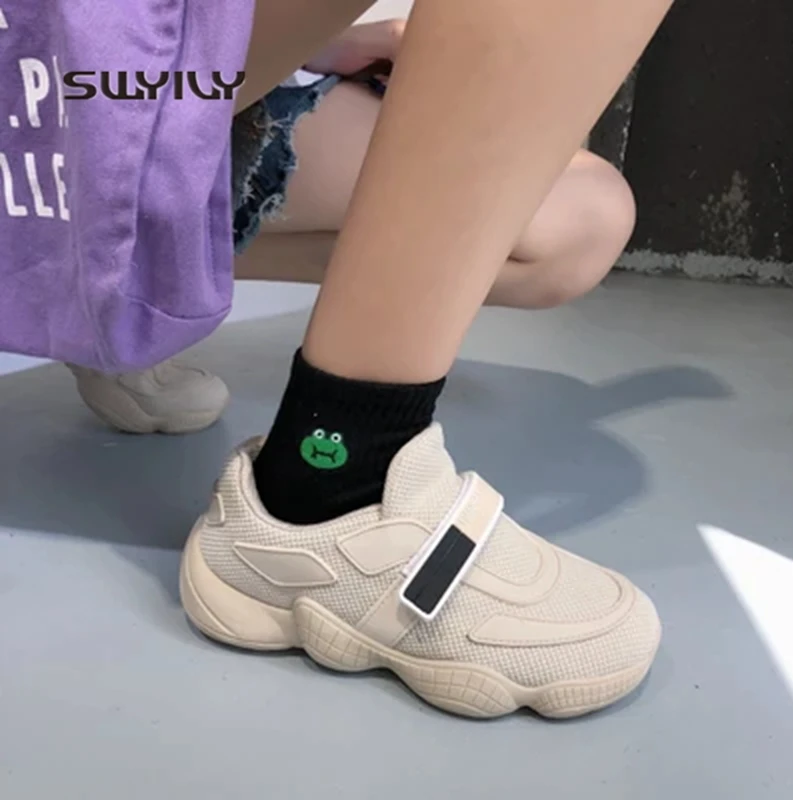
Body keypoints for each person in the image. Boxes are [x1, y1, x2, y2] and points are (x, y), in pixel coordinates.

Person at [105, 0, 676, 719]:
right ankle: (335, 488)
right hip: (61, 76)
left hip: (132, 59)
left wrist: (320, 39)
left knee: (581, 217)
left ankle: (105, 293)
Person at [67, 19, 637, 436]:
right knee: (580, 211)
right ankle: (338, 463)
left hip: (176, 57)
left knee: (576, 227)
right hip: (104, 76)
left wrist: (309, 40)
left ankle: (114, 275)